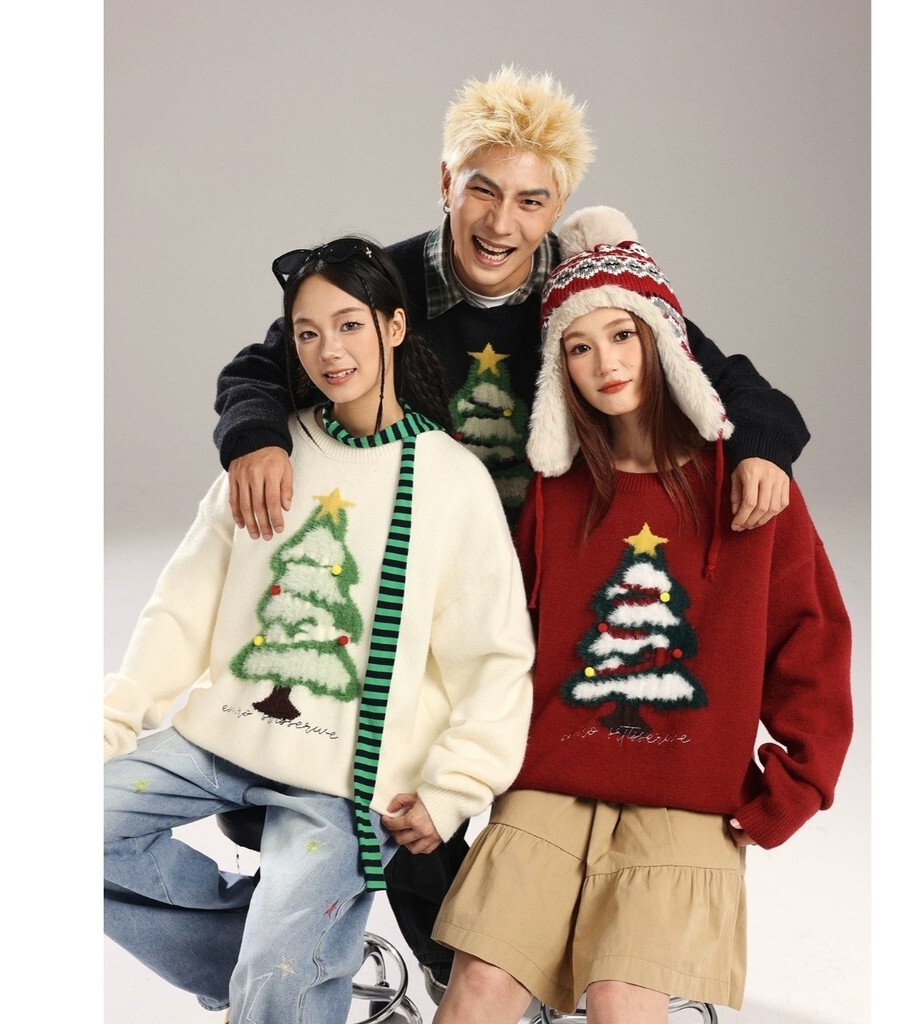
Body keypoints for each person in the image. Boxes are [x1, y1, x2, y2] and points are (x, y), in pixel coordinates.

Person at [210, 66, 813, 990]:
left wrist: (764, 448)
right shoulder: (385, 281)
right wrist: (255, 438)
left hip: (545, 577)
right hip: (411, 568)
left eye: (531, 201)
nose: (501, 223)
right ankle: (445, 967)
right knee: (394, 773)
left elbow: (713, 373)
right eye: (482, 191)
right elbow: (261, 366)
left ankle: (530, 958)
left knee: (509, 771)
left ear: (557, 208)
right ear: (445, 182)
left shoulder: (580, 291)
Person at [429, 207, 854, 1023]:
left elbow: (812, 639)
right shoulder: (557, 491)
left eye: (622, 335)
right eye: (578, 348)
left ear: (661, 338)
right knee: (478, 986)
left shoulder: (751, 482)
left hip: (688, 795)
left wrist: (795, 785)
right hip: (552, 783)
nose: (606, 364)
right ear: (560, 371)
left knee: (624, 1001)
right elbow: (506, 636)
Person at [103, 237, 535, 1023]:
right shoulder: (270, 455)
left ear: (394, 327)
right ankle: (281, 958)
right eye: (308, 333)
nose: (329, 350)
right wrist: (120, 709)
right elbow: (186, 600)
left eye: (348, 325)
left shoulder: (450, 481)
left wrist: (454, 787)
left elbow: (494, 659)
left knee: (278, 979)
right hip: (220, 741)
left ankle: (288, 963)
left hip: (344, 784)